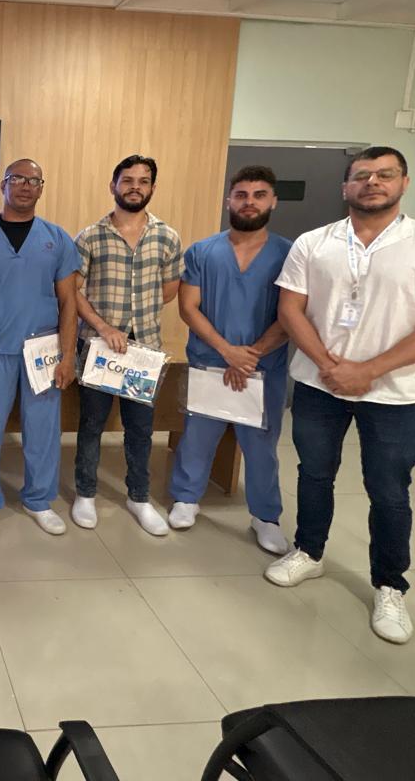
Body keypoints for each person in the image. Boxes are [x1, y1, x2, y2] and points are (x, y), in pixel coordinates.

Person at [264, 146, 415, 645]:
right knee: (314, 473)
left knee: (389, 490)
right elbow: (291, 310)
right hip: (319, 384)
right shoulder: (314, 243)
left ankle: (390, 585)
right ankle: (309, 552)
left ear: (404, 183)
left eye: (385, 174)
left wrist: (368, 371)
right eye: (362, 175)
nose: (372, 182)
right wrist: (330, 367)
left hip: (393, 393)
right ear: (346, 187)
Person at [168, 166, 292, 554]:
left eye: (259, 195)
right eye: (241, 195)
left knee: (261, 446)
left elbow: (293, 314)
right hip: (211, 361)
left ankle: (265, 516)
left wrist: (249, 357)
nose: (249, 202)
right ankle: (186, 498)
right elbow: (189, 307)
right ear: (229, 201)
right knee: (197, 437)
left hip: (262, 368)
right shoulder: (203, 252)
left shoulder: (289, 255)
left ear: (273, 201)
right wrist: (227, 351)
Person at [0, 158, 80, 539]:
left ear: (41, 188)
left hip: (43, 348)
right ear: (3, 186)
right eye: (17, 179)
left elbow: (69, 302)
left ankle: (39, 499)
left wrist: (68, 355)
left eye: (34, 180)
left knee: (43, 428)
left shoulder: (57, 239)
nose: (25, 186)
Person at [72, 154, 183, 535]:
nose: (135, 187)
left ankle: (139, 497)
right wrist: (104, 327)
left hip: (144, 350)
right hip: (99, 347)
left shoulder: (167, 237)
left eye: (143, 181)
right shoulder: (90, 236)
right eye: (128, 180)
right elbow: (73, 291)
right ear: (114, 186)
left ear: (152, 187)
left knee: (140, 428)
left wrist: (138, 320)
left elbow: (169, 290)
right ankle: (85, 493)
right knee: (91, 425)